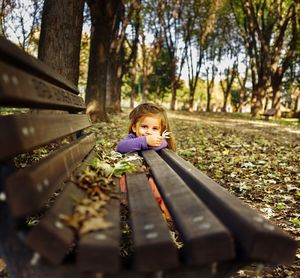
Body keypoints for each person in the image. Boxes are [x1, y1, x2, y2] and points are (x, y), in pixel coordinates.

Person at [117, 103, 175, 220]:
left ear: (161, 131)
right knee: (123, 183)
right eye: (144, 127)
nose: (149, 132)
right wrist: (145, 141)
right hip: (133, 174)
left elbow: (163, 143)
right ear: (134, 127)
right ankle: (131, 210)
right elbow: (121, 147)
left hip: (153, 174)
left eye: (155, 128)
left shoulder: (160, 141)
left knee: (159, 187)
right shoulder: (131, 138)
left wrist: (151, 141)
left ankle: (169, 217)